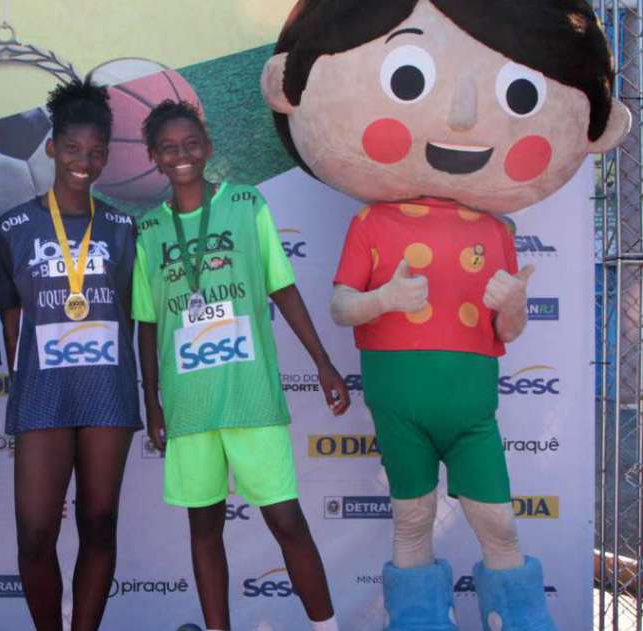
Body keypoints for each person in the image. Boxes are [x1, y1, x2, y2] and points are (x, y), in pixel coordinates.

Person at [262, 1, 630, 628]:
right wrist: (385, 301)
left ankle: (517, 613)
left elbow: (506, 333)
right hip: (398, 401)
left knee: (498, 520)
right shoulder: (371, 222)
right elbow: (342, 305)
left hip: (472, 408)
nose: (461, 115)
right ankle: (418, 618)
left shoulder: (497, 230)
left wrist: (510, 307)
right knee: (411, 518)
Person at [132, 100, 349, 631]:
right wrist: (151, 402)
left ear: (206, 148)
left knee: (287, 521)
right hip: (190, 404)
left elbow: (283, 287)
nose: (181, 155)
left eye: (190, 144)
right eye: (169, 148)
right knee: (204, 530)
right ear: (154, 159)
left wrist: (323, 364)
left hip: (251, 396)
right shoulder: (148, 231)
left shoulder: (248, 203)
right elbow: (147, 323)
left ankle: (327, 627)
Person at [0, 77, 141, 631]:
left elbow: (133, 313)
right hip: (43, 393)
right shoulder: (13, 227)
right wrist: (24, 375)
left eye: (96, 152)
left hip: (107, 393)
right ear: (51, 148)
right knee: (34, 533)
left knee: (99, 523)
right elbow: (9, 315)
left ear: (106, 156)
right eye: (73, 149)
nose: (84, 161)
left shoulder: (124, 227)